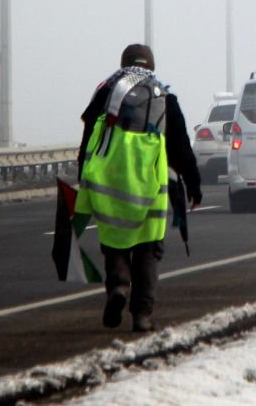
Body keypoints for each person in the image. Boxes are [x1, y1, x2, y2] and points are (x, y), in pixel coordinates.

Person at [76, 43, 202, 332]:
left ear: (124, 64)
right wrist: (194, 187)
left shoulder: (108, 92)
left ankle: (119, 287)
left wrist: (83, 174)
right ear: (152, 66)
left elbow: (89, 138)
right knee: (148, 249)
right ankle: (142, 315)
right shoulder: (163, 96)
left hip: (108, 182)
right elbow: (181, 147)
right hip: (150, 187)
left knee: (113, 241)